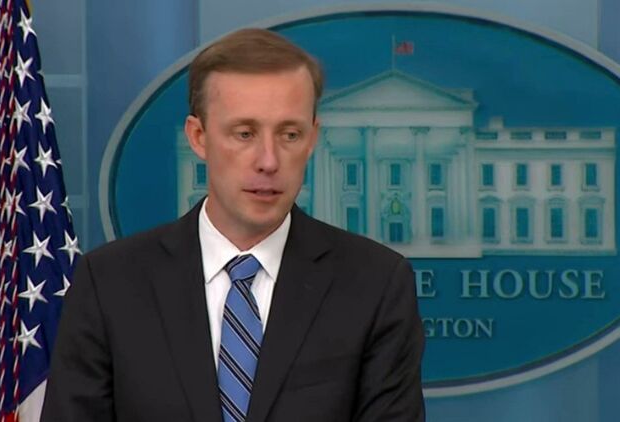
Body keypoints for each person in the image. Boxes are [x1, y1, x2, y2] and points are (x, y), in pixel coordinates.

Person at [41, 28, 425, 422]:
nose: (269, 161)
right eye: (244, 134)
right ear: (199, 137)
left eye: (289, 134)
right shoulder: (109, 283)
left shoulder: (376, 284)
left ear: (312, 139)